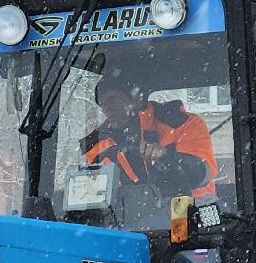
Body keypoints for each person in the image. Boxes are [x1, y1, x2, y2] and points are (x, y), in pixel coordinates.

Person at [83, 82, 220, 200]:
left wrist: (167, 158)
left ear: (136, 99)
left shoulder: (182, 123)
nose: (106, 107)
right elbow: (96, 197)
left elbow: (202, 174)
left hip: (196, 211)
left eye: (113, 98)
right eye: (102, 102)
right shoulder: (97, 147)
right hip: (132, 218)